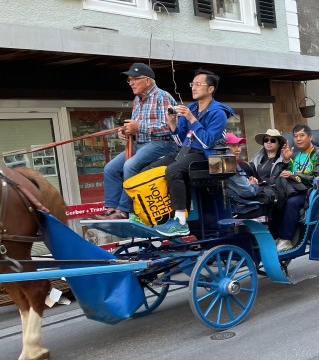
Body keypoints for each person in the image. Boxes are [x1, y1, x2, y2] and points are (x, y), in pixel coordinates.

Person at [153, 69, 233, 237]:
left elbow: (207, 142)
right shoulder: (191, 109)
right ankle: (156, 216)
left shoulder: (218, 113)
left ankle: (180, 221)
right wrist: (172, 123)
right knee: (150, 169)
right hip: (186, 152)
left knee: (173, 170)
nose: (193, 88)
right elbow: (181, 141)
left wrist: (191, 119)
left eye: (198, 84)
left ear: (210, 89)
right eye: (192, 84)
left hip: (205, 156)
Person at [95, 63, 178, 219]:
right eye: (129, 80)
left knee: (130, 165)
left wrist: (139, 126)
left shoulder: (163, 96)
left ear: (147, 80)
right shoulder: (137, 100)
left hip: (163, 144)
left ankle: (124, 211)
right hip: (139, 144)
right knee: (110, 168)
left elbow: (171, 128)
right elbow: (135, 126)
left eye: (134, 79)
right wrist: (126, 131)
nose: (131, 83)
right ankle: (111, 209)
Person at [275, 124, 319, 253]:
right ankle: (276, 235)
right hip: (295, 188)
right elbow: (291, 172)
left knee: (292, 203)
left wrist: (295, 175)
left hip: (310, 190)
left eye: (302, 135)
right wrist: (287, 160)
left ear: (310, 137)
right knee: (275, 200)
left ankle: (286, 239)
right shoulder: (297, 155)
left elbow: (318, 178)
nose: (298, 139)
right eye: (295, 136)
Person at [223, 132, 262, 216]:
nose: (238, 150)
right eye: (233, 146)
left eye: (238, 146)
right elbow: (249, 192)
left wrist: (248, 183)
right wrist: (253, 185)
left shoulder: (219, 164)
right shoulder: (229, 165)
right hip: (240, 209)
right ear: (224, 148)